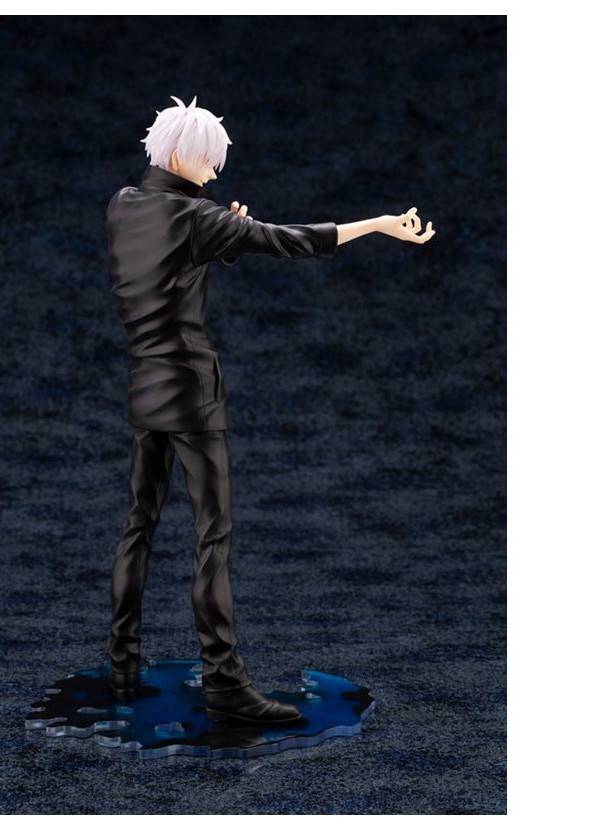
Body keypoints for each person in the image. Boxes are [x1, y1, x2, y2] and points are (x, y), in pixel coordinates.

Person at [105, 96, 434, 724]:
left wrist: (219, 231)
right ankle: (225, 684)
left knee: (138, 526)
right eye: (208, 161)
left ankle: (122, 664)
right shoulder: (200, 216)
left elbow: (172, 257)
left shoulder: (123, 204)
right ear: (181, 154)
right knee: (212, 537)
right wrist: (377, 223)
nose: (213, 172)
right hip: (192, 394)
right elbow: (289, 240)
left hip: (143, 387)